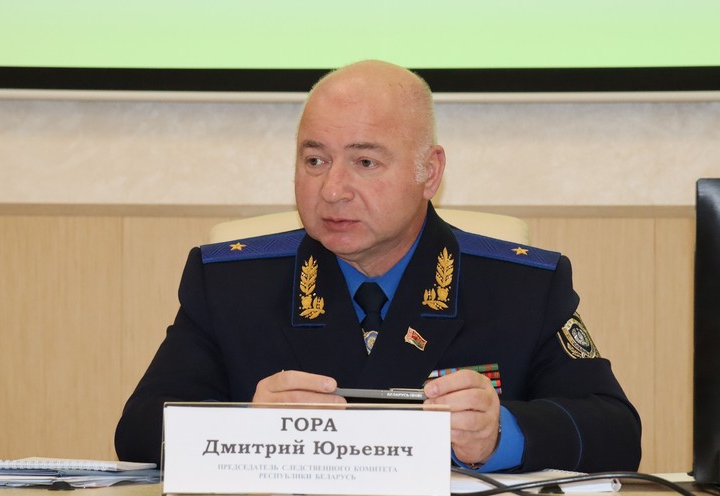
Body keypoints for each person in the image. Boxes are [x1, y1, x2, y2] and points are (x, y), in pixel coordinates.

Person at [115, 60, 641, 472]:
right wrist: (245, 429)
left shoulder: (521, 286)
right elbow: (138, 431)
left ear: (429, 172)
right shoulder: (231, 283)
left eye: (365, 162)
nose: (332, 189)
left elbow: (616, 433)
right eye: (315, 160)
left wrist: (501, 433)